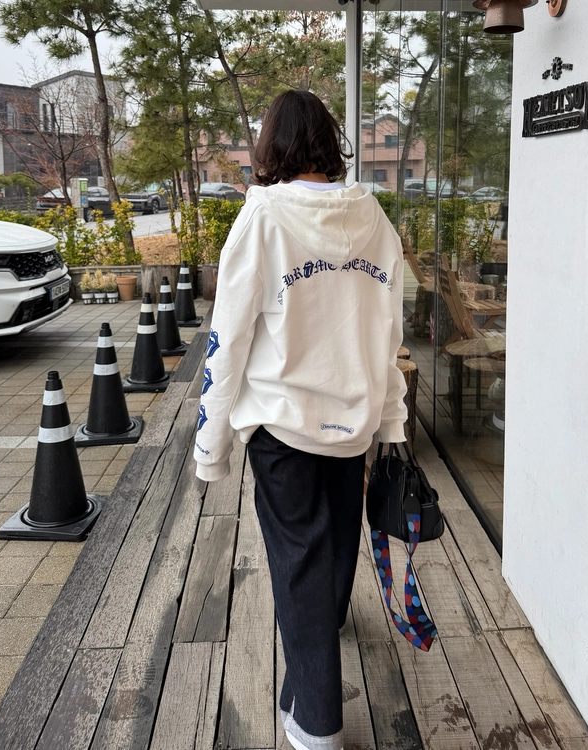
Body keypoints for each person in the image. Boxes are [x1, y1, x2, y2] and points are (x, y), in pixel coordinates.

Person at [192, 89, 408, 750]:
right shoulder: (374, 217)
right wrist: (391, 421)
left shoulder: (264, 216)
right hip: (354, 422)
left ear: (271, 146)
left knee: (299, 563)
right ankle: (325, 628)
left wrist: (211, 445)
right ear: (329, 143)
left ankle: (317, 724)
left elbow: (228, 338)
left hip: (283, 424)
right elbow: (389, 331)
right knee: (335, 541)